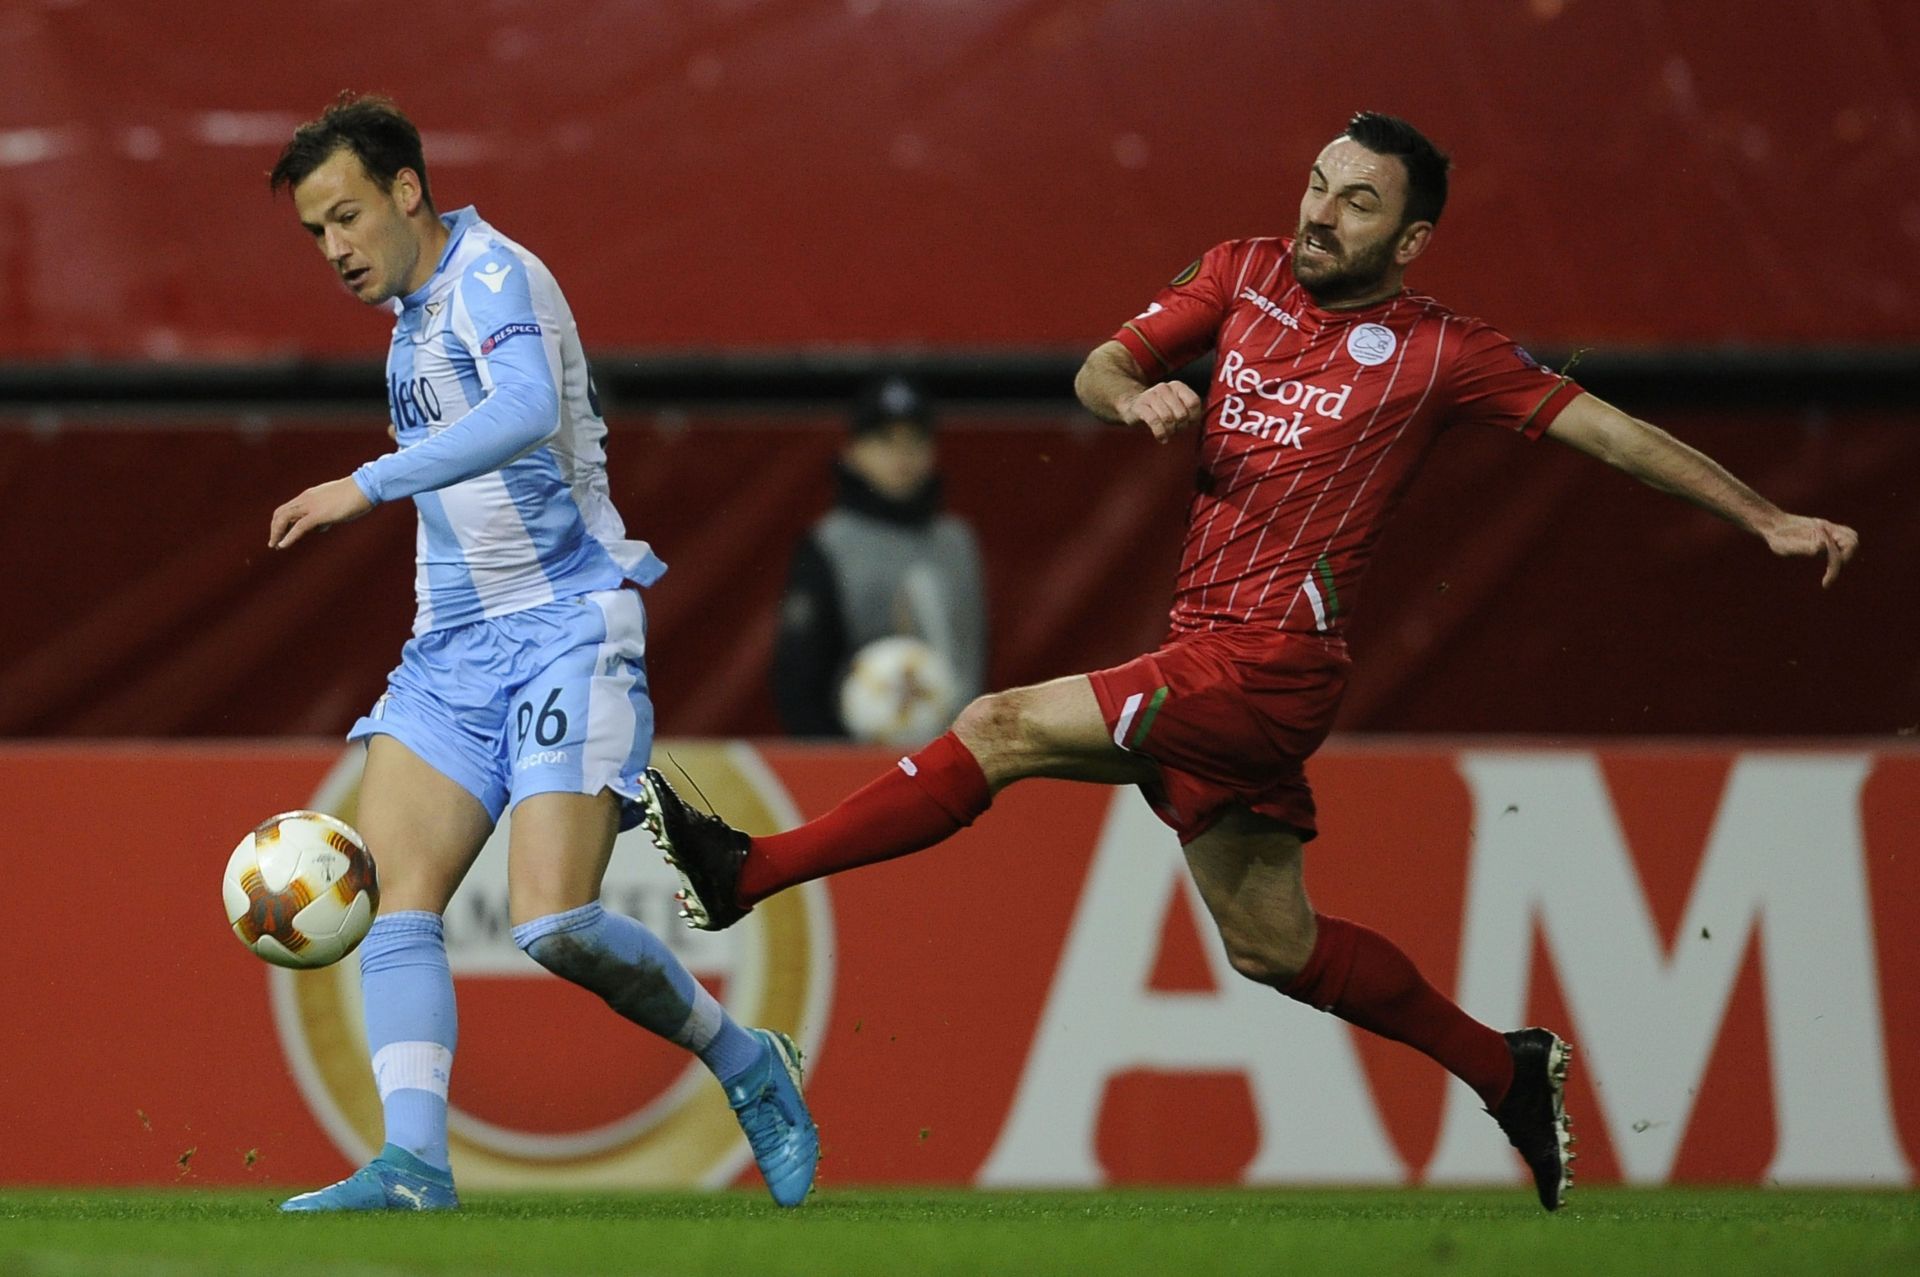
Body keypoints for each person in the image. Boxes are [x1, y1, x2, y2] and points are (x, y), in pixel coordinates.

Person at [635, 111, 1859, 1212]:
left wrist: (1763, 517)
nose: (1321, 211)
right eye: (1319, 183)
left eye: (1358, 201)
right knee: (1273, 946)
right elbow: (1101, 365)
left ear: (1414, 238)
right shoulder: (1244, 273)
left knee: (1001, 724)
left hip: (1270, 665)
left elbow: (1609, 433)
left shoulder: (1440, 351)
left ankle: (750, 870)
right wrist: (1139, 402)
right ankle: (1506, 1064)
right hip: (1207, 653)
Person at [262, 94, 818, 1212]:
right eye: (316, 232)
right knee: (397, 900)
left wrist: (362, 483)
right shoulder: (412, 320)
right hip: (451, 654)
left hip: (568, 625)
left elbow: (520, 408)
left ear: (406, 190)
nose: (334, 249)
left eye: (346, 216)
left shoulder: (494, 277)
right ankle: (414, 1162)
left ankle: (747, 1060)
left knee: (554, 922)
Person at [771, 376, 988, 739]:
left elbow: (973, 654)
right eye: (885, 441)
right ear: (853, 451)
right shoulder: (829, 543)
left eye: (915, 441)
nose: (902, 456)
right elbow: (798, 677)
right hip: (860, 759)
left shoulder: (958, 543)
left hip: (958, 754)